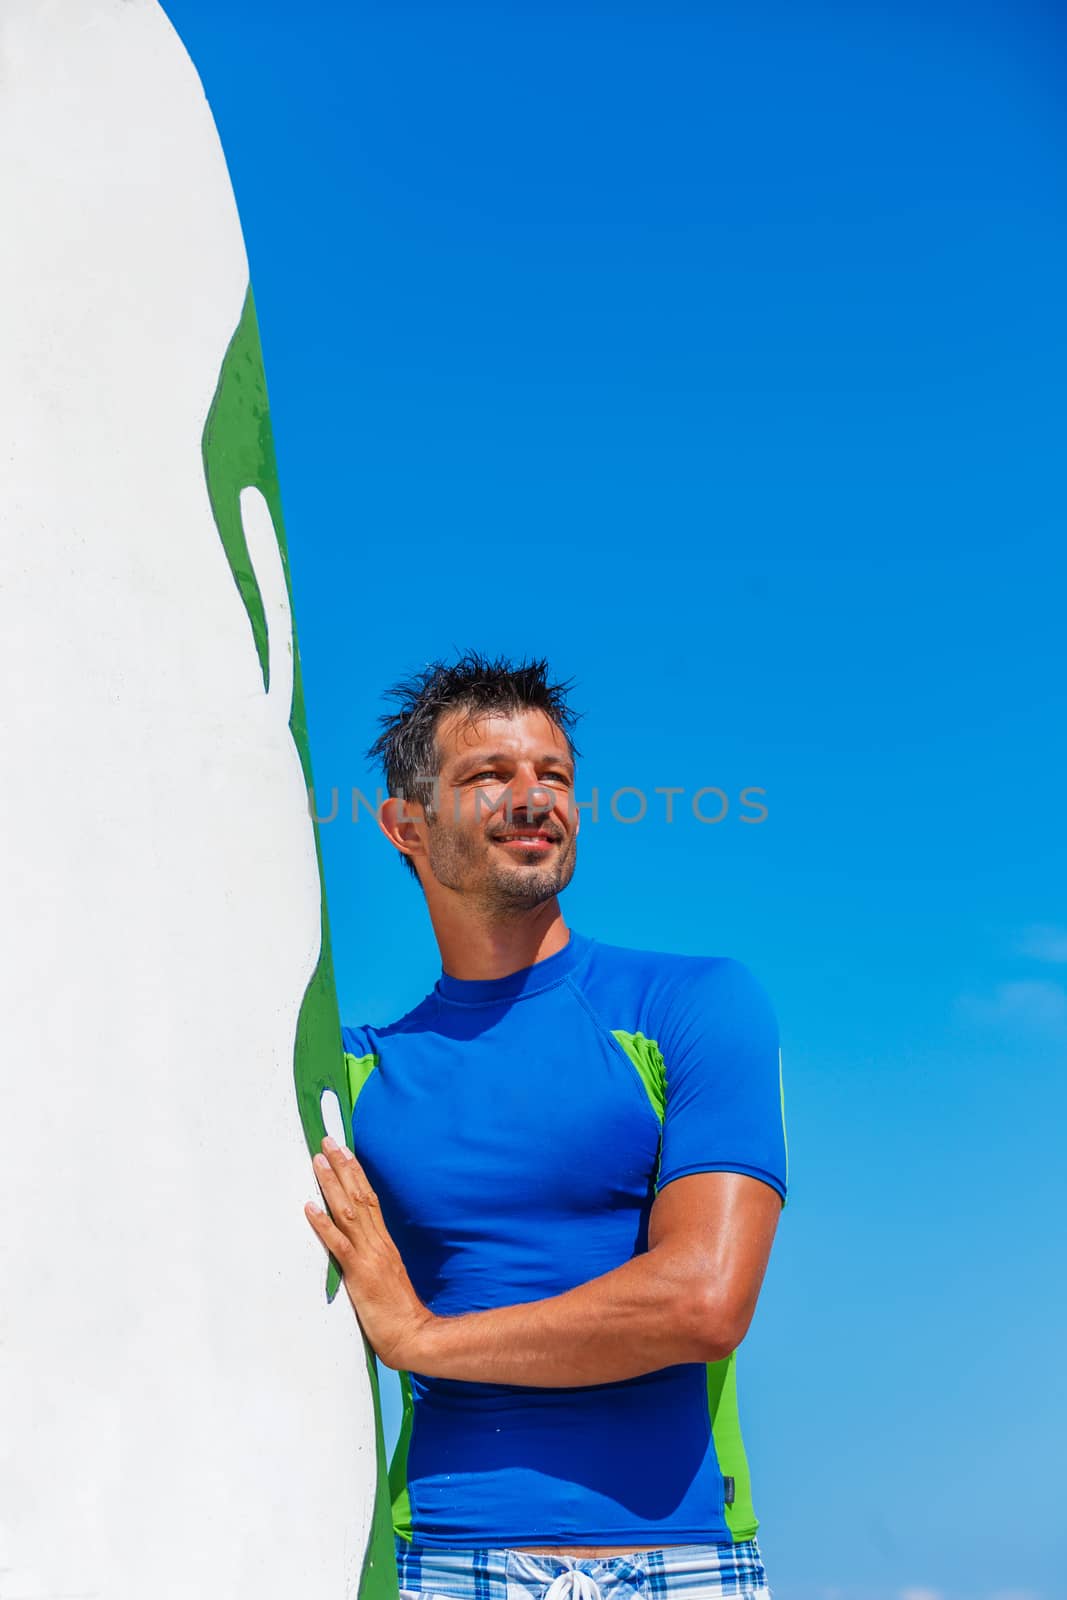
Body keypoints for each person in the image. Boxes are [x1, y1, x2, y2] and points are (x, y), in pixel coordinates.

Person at [305, 650, 789, 1600]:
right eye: (488, 776)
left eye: (553, 776)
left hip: (684, 1562)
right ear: (406, 825)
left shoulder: (691, 1005)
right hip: (441, 1565)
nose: (533, 798)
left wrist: (419, 1337)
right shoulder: (356, 1072)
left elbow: (703, 1301)